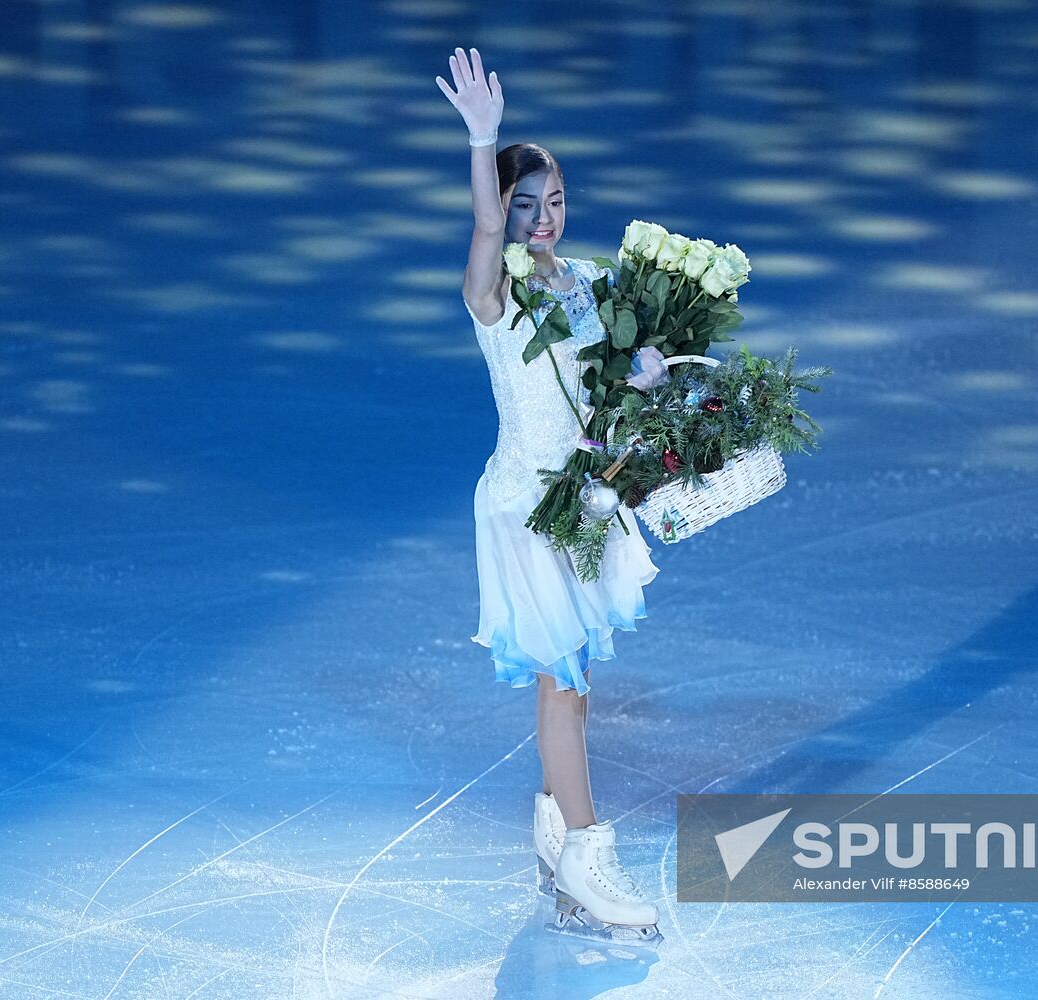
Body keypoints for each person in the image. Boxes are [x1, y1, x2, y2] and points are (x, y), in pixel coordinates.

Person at [436, 46, 663, 945]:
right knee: (562, 681)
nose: (540, 219)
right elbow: (486, 238)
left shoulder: (588, 284)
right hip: (529, 509)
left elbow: (601, 393)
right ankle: (585, 855)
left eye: (553, 200)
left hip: (586, 500)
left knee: (576, 680)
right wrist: (481, 139)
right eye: (522, 203)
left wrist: (640, 377)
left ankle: (553, 821)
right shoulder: (492, 293)